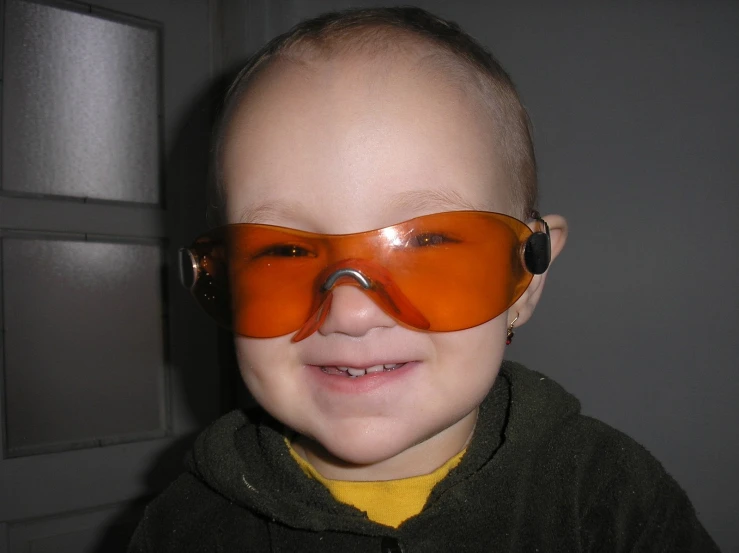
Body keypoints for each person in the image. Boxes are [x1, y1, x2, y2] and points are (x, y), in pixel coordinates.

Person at [129, 7, 720, 552]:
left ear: (529, 274)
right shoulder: (182, 530)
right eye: (283, 251)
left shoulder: (611, 503)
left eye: (428, 245)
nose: (350, 313)